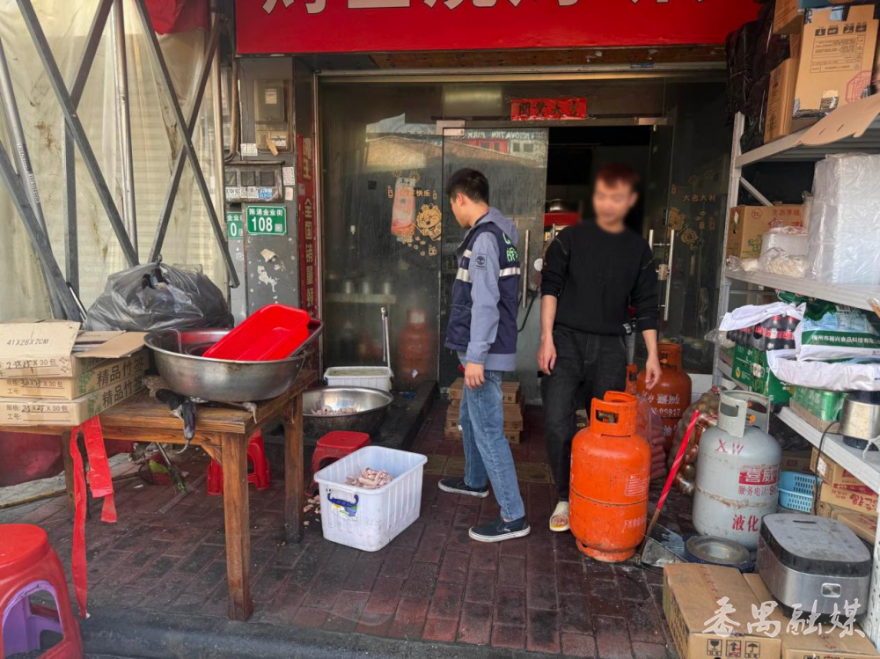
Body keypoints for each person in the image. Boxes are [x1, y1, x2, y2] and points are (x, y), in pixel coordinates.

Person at [537, 163, 661, 533]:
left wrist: (652, 355)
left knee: (606, 429)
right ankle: (564, 495)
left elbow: (647, 305)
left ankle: (593, 490)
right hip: (565, 341)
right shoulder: (569, 239)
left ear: (630, 201)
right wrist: (546, 338)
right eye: (603, 196)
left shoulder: (638, 249)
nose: (609, 204)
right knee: (557, 423)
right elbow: (550, 288)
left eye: (617, 198)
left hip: (610, 347)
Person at [438, 168, 530, 543]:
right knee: (467, 415)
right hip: (481, 351)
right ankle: (475, 480)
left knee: (489, 432)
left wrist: (476, 357)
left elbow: (486, 303)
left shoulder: (486, 239)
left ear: (460, 198)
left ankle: (513, 515)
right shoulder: (501, 234)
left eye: (452, 204)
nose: (453, 212)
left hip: (484, 355)